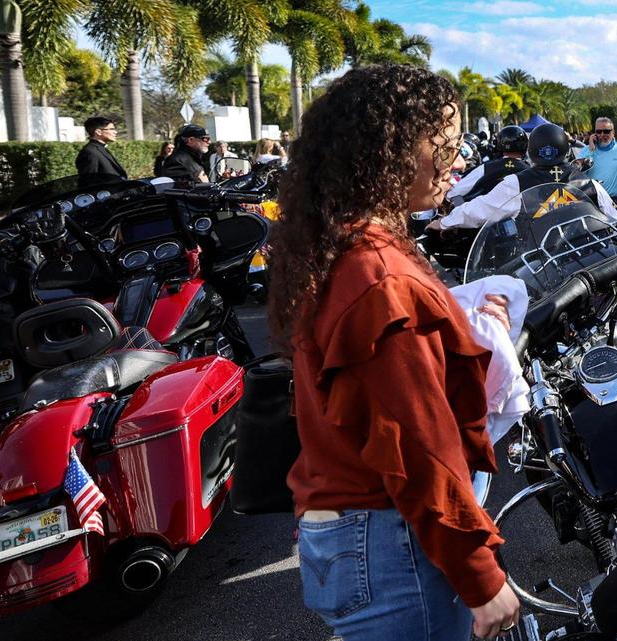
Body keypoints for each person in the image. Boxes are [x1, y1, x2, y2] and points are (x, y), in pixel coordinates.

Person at [267, 63, 519, 640]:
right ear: (393, 150)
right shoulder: (378, 275)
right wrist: (479, 575)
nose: (458, 162)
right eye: (446, 146)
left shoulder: (339, 247)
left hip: (352, 533)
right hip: (389, 542)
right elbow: (418, 447)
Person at [430, 122, 617, 230]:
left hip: (542, 269)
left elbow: (478, 210)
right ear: (566, 149)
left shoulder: (516, 183)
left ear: (532, 150)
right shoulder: (589, 184)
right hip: (586, 260)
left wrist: (444, 222)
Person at [447, 125, 529, 205]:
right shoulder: (530, 170)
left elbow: (453, 192)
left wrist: (461, 211)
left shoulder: (485, 168)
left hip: (487, 218)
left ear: (498, 144)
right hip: (524, 217)